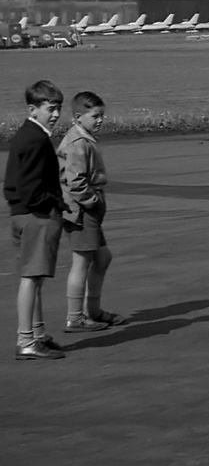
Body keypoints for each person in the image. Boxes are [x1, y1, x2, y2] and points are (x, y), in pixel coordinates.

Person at [3, 80, 66, 360]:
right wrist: (53, 204)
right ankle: (26, 340)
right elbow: (29, 188)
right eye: (50, 109)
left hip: (26, 214)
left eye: (58, 109)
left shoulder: (30, 134)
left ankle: (37, 334)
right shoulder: (34, 138)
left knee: (36, 276)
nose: (55, 114)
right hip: (34, 216)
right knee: (31, 277)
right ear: (33, 108)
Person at [58, 90, 125, 331]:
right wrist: (92, 201)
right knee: (82, 261)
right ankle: (75, 317)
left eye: (101, 115)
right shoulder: (77, 143)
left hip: (90, 210)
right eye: (95, 116)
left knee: (103, 257)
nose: (100, 120)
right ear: (78, 117)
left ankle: (92, 310)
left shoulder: (85, 139)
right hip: (80, 211)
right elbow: (74, 181)